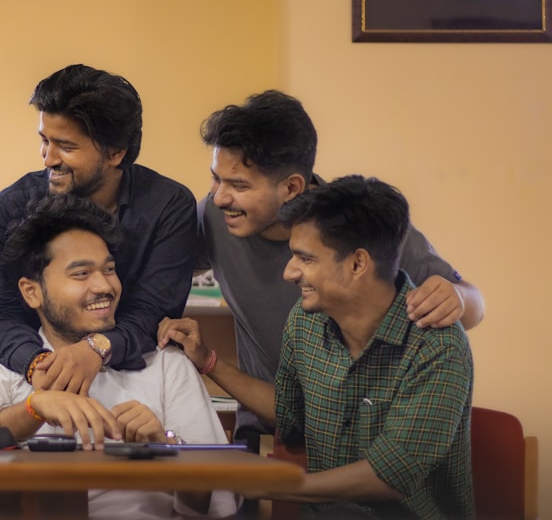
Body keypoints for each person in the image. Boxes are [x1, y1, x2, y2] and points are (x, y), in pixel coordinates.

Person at [161, 90, 483, 450]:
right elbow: (155, 265)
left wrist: (455, 296)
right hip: (268, 423)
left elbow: (472, 305)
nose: (219, 197)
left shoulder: (360, 223)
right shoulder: (216, 217)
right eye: (216, 179)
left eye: (239, 186)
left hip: (362, 433)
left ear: (292, 187)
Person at [163, 176, 473, 519]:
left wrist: (274, 485)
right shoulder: (306, 322)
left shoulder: (437, 346)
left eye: (305, 258)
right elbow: (289, 415)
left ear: (357, 264)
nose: (289, 272)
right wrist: (208, 361)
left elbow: (391, 476)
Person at [0, 194, 237, 520]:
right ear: (31, 291)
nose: (104, 286)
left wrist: (166, 445)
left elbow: (211, 506)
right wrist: (34, 409)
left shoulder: (164, 367)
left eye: (109, 269)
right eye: (81, 274)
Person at [0, 64, 197, 393]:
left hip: (138, 373)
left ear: (116, 153)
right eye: (44, 140)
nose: (48, 158)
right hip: (27, 374)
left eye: (66, 146)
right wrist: (39, 364)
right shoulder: (12, 205)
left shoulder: (167, 205)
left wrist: (97, 349)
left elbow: (153, 313)